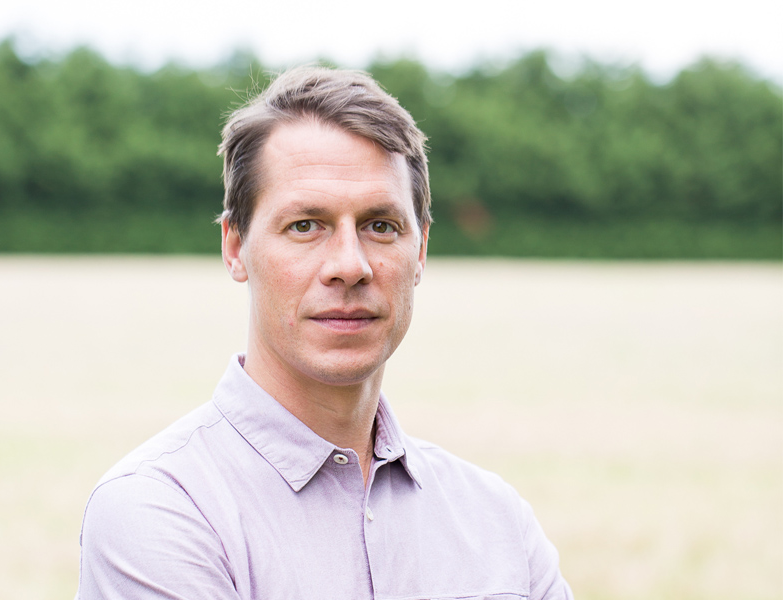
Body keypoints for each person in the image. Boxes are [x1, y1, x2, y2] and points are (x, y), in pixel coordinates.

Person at [76, 66, 573, 599]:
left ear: (421, 250)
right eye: (305, 225)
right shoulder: (158, 511)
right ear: (235, 247)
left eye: (380, 226)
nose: (350, 265)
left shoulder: (499, 523)